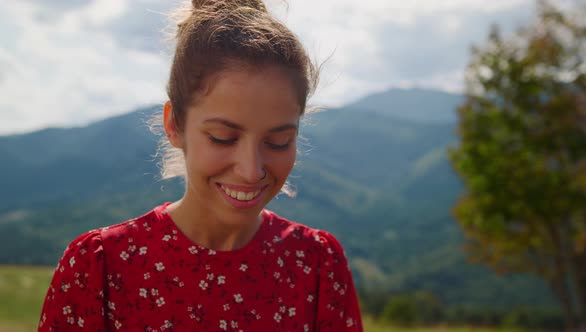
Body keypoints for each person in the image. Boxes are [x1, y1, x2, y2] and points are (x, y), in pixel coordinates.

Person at [38, 0, 363, 331]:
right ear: (174, 126)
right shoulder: (100, 269)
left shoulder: (318, 265)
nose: (251, 170)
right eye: (223, 137)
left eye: (278, 142)